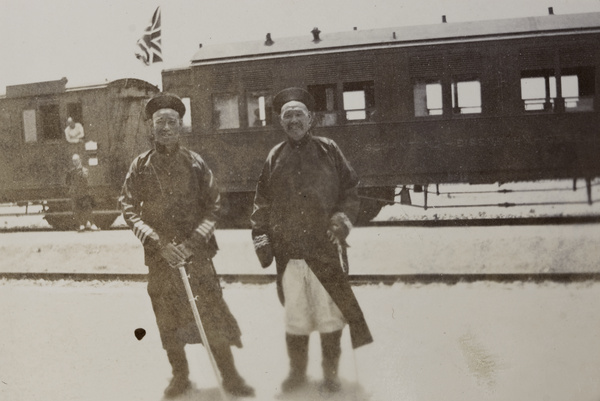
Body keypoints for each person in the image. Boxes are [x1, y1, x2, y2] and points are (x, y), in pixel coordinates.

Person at [119, 93, 255, 399]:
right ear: (150, 129)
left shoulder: (196, 163)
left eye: (172, 122)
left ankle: (230, 377)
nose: (166, 128)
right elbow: (128, 208)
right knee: (167, 318)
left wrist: (192, 243)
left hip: (198, 255)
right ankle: (180, 375)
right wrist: (159, 244)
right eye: (159, 122)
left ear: (181, 127)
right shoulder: (139, 166)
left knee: (212, 314)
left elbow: (215, 205)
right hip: (160, 258)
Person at [251, 87, 373, 394]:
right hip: (289, 251)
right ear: (280, 121)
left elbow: (350, 190)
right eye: (287, 115)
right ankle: (296, 374)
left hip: (324, 247)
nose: (293, 120)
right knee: (296, 315)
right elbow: (262, 201)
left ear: (311, 119)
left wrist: (342, 219)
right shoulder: (274, 156)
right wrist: (261, 234)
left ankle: (330, 375)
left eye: (298, 114)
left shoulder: (328, 149)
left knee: (329, 314)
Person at [66, 154, 98, 231]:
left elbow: (85, 178)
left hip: (84, 193)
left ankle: (92, 224)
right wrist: (72, 189)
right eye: (73, 161)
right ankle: (81, 225)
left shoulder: (85, 170)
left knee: (88, 208)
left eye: (76, 160)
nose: (75, 162)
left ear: (80, 160)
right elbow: (67, 182)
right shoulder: (71, 172)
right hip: (75, 193)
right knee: (76, 210)